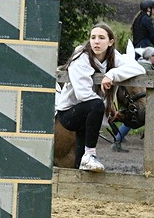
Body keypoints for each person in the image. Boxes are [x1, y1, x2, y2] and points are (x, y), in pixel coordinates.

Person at [55, 23, 144, 171]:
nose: (96, 41)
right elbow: (84, 95)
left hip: (87, 114)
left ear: (110, 42)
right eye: (93, 37)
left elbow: (138, 68)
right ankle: (90, 155)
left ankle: (82, 167)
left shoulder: (112, 57)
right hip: (69, 115)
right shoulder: (81, 58)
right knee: (96, 104)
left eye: (101, 38)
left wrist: (111, 74)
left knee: (78, 164)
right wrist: (105, 109)